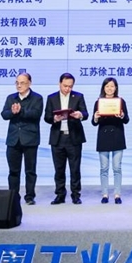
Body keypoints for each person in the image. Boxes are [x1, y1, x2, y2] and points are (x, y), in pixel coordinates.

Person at [44, 72, 88, 205]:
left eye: (70, 86)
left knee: (75, 169)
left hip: (74, 137)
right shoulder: (51, 98)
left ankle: (75, 195)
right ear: (59, 84)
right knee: (59, 169)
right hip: (58, 138)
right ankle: (60, 195)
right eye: (65, 86)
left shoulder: (78, 96)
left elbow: (85, 113)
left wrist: (80, 114)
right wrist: (54, 119)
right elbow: (46, 117)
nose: (67, 89)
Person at [0, 72, 43, 205]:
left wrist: (21, 111)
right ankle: (13, 197)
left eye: (22, 83)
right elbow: (4, 114)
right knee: (13, 171)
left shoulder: (37, 98)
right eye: (17, 83)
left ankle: (29, 196)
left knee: (30, 171)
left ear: (29, 83)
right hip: (13, 140)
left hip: (30, 139)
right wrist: (12, 112)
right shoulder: (11, 98)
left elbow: (36, 114)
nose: (19, 85)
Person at [92, 77, 129, 205]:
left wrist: (122, 115)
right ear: (103, 88)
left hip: (117, 136)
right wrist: (96, 117)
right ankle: (105, 194)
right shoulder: (99, 102)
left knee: (117, 167)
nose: (109, 88)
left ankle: (117, 194)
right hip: (103, 137)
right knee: (104, 168)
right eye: (107, 86)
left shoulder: (120, 101)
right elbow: (94, 123)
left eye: (112, 86)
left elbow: (126, 119)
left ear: (116, 88)